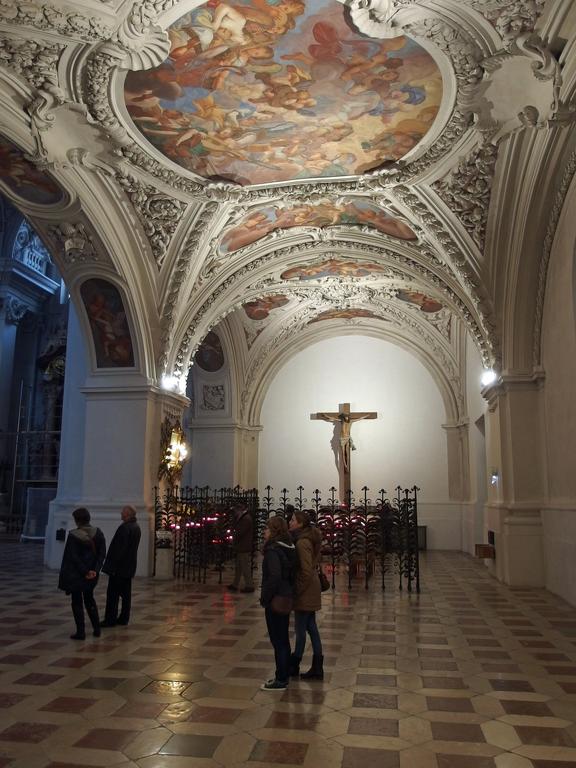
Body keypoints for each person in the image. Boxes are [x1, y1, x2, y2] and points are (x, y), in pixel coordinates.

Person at [58, 507, 106, 640]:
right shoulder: (98, 533)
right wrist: (95, 570)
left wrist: (85, 571)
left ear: (77, 520)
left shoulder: (74, 536)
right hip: (92, 575)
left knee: (77, 602)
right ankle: (96, 629)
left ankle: (81, 632)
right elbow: (101, 554)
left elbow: (73, 557)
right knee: (90, 599)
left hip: (78, 575)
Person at [260, 515, 296, 690]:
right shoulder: (289, 546)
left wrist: (265, 597)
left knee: (278, 640)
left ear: (274, 530)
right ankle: (283, 673)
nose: (264, 532)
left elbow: (273, 576)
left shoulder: (273, 550)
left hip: (276, 598)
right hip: (286, 595)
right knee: (283, 639)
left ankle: (281, 679)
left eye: (266, 528)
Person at [289, 510, 324, 680]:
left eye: (293, 520)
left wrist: (297, 591)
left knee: (301, 629)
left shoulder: (302, 542)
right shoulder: (311, 538)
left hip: (306, 589)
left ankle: (294, 662)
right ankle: (318, 667)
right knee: (312, 628)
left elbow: (305, 570)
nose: (290, 522)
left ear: (301, 524)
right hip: (312, 587)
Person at [100, 505, 141, 627]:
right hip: (129, 566)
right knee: (126, 594)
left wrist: (111, 566)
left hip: (119, 568)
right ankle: (124, 618)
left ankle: (110, 619)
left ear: (128, 514)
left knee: (113, 594)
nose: (120, 513)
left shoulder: (125, 528)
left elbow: (118, 550)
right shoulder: (136, 527)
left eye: (122, 511)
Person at [228, 502, 255, 593]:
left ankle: (249, 585)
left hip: (244, 546)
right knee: (239, 567)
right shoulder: (243, 517)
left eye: (235, 511)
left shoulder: (246, 519)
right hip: (241, 546)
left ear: (239, 510)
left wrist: (233, 535)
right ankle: (235, 584)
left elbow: (240, 532)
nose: (235, 513)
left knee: (245, 567)